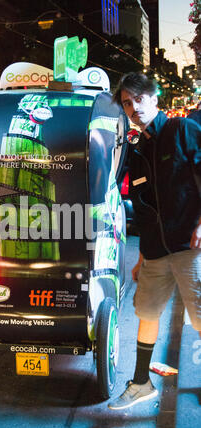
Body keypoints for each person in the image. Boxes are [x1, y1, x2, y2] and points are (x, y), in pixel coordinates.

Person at [108, 72, 201, 410]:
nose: (134, 108)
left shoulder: (182, 130)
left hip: (189, 244)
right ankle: (141, 382)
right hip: (155, 251)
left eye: (138, 99)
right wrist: (142, 256)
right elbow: (144, 204)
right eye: (127, 103)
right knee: (147, 311)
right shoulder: (139, 147)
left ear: (154, 97)